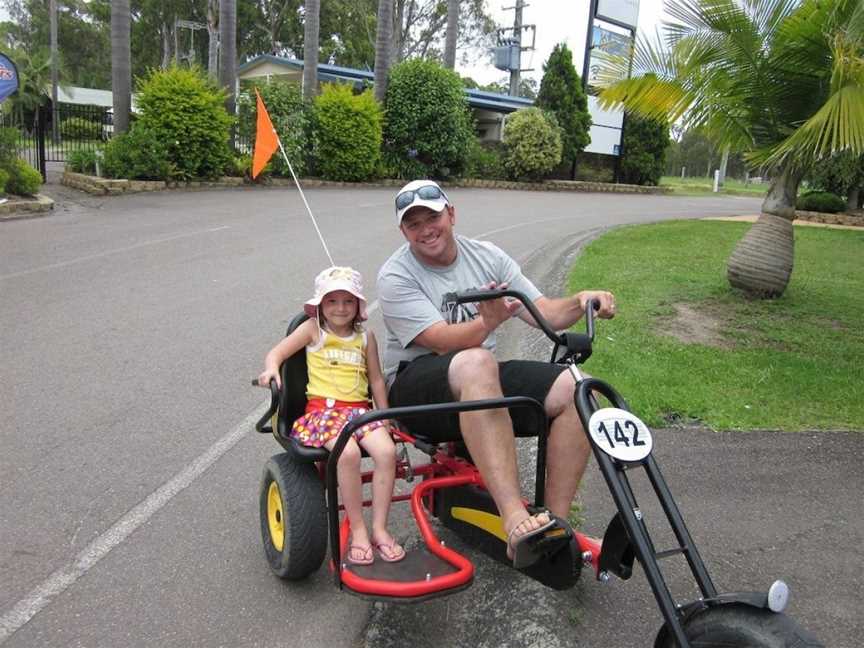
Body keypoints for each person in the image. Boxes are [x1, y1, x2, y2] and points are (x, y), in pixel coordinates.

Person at [377, 180, 616, 568]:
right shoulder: (395, 275)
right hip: (414, 387)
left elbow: (545, 312)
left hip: (476, 377)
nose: (426, 229)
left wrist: (580, 300)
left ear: (451, 215)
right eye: (413, 223)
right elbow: (441, 341)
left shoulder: (486, 256)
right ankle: (514, 520)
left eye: (433, 217)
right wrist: (486, 323)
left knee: (575, 387)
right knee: (477, 359)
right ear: (404, 232)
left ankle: (553, 527)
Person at [257, 266, 405, 565]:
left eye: (348, 301)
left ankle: (379, 528)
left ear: (358, 306)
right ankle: (359, 531)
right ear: (321, 305)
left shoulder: (366, 338)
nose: (340, 308)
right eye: (332, 301)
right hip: (323, 414)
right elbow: (278, 353)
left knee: (387, 452)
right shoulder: (314, 330)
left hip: (360, 413)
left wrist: (385, 415)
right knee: (346, 454)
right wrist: (271, 368)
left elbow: (376, 380)